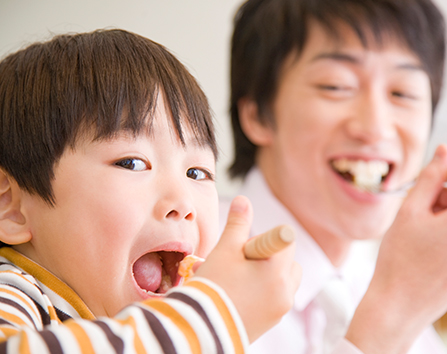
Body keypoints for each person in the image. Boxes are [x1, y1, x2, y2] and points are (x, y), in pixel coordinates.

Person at [221, 0, 447, 353]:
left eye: (403, 93)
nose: (376, 128)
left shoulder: (381, 284)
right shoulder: (184, 262)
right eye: (336, 86)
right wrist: (393, 316)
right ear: (258, 116)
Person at [0, 28, 301, 352]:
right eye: (132, 163)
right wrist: (211, 318)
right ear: (11, 206)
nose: (182, 202)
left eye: (197, 172)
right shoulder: (13, 293)